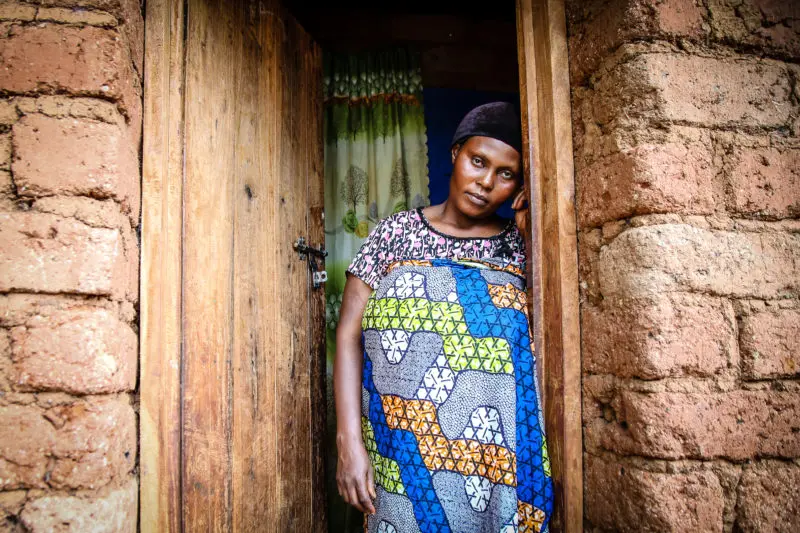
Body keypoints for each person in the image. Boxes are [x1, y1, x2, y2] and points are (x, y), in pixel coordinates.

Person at [334, 102, 553, 533]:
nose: (486, 182)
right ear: (455, 153)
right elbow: (347, 337)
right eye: (478, 161)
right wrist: (349, 445)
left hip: (499, 465)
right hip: (401, 458)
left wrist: (531, 233)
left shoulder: (520, 248)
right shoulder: (395, 234)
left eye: (506, 174)